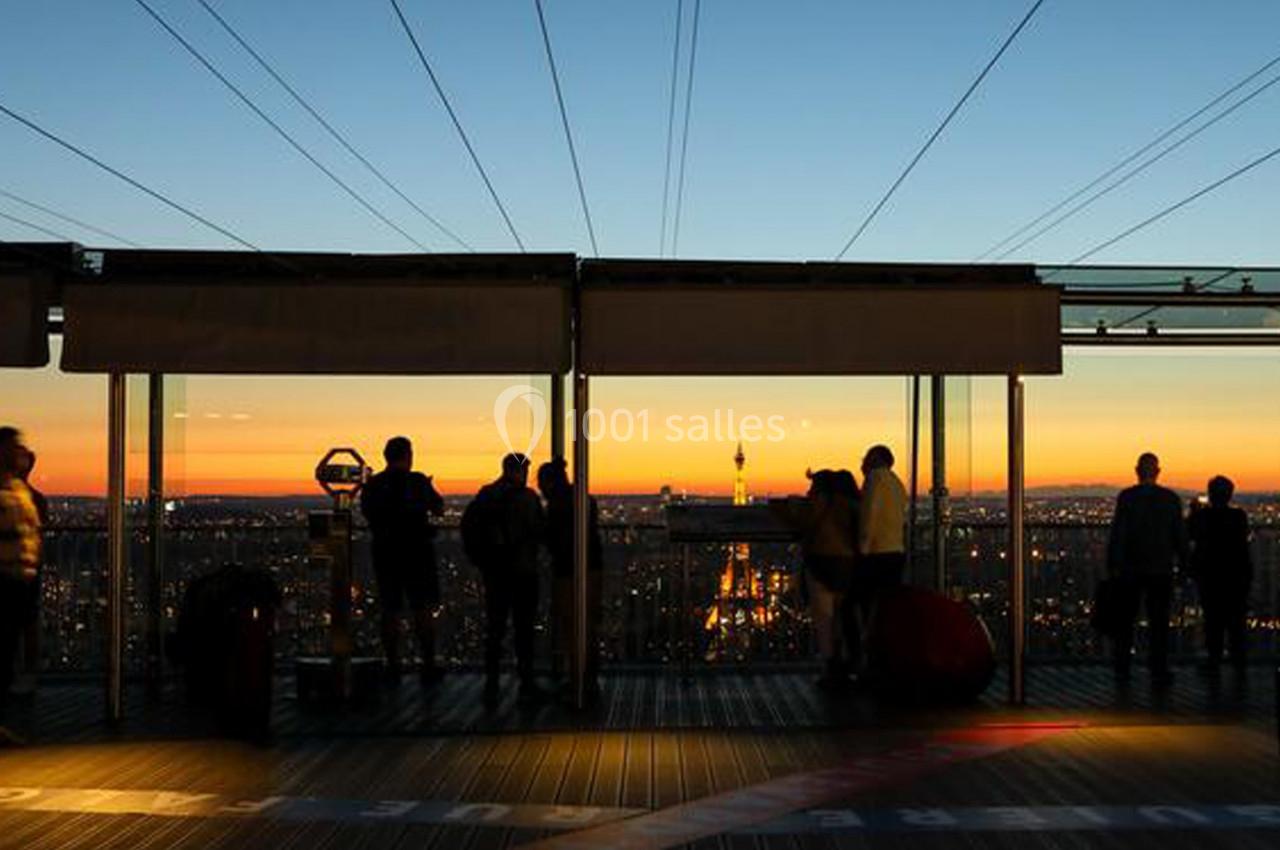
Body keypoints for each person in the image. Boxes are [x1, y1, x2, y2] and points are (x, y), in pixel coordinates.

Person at [359, 436, 445, 687]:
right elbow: (438, 508)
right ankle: (427, 665)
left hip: (386, 553)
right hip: (418, 553)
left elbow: (368, 513)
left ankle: (393, 665)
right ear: (408, 455)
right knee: (422, 609)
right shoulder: (417, 482)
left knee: (390, 609)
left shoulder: (374, 485)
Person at [462, 453, 546, 707]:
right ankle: (526, 681)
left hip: (495, 573)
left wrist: (482, 560)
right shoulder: (528, 498)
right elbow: (539, 531)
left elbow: (469, 529)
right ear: (521, 471)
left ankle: (492, 682)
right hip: (523, 571)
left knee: (495, 628)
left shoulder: (486, 495)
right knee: (524, 629)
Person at [1106, 452, 1187, 688]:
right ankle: (1158, 670)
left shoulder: (1127, 498)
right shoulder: (1170, 499)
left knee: (1125, 622)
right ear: (1158, 472)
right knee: (1159, 622)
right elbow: (1179, 536)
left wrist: (1113, 565)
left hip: (1130, 570)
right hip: (1161, 569)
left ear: (1137, 471)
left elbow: (1118, 534)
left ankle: (1122, 670)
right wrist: (1183, 565)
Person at [775, 469, 859, 689]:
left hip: (821, 561)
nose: (809, 490)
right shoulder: (852, 503)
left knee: (824, 618)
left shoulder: (818, 502)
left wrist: (792, 503)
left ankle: (831, 667)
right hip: (847, 564)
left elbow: (802, 520)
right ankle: (847, 664)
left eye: (812, 486)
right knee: (843, 616)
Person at [537, 459, 604, 700]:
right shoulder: (584, 499)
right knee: (588, 626)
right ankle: (588, 679)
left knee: (572, 627)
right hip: (592, 568)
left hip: (568, 572)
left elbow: (554, 539)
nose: (540, 488)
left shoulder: (557, 505)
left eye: (541, 483)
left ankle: (577, 680)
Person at [0, 427, 41, 745]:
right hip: (6, 579)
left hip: (17, 579)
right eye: (15, 448)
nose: (21, 453)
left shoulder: (16, 488)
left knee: (5, 650)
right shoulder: (12, 491)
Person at [1188, 475, 1252, 672]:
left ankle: (1214, 662)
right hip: (1236, 576)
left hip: (1210, 575)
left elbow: (1189, 533)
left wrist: (1193, 512)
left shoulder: (1202, 517)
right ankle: (1239, 665)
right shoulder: (1238, 516)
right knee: (1236, 623)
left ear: (1210, 493)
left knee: (1213, 621)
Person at [12, 447, 46, 696]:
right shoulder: (36, 498)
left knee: (22, 623)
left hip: (19, 569)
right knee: (27, 623)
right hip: (28, 568)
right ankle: (27, 674)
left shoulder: (20, 498)